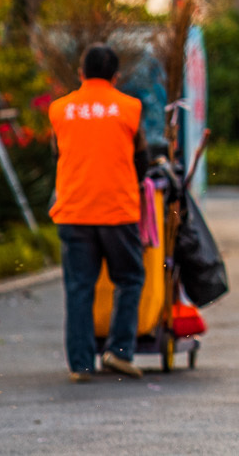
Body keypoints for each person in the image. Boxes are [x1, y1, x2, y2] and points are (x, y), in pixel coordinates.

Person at [49, 43, 150, 382]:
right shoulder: (129, 108)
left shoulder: (60, 110)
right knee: (130, 278)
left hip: (73, 210)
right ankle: (119, 351)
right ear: (116, 76)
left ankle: (80, 364)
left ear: (81, 73)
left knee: (80, 288)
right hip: (117, 212)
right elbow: (142, 160)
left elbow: (56, 154)